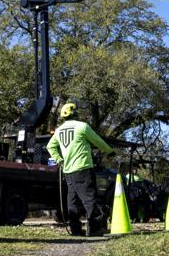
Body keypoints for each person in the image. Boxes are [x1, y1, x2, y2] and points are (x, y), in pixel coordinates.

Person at [47, 102, 114, 237]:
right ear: (75, 113)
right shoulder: (82, 127)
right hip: (83, 168)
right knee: (90, 199)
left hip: (68, 171)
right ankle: (94, 229)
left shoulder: (59, 130)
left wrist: (59, 159)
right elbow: (98, 141)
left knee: (73, 201)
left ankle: (76, 230)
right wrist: (109, 151)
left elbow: (50, 146)